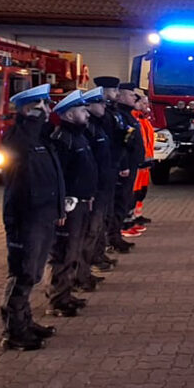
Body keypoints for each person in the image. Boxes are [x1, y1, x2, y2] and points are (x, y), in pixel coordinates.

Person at [0, 83, 65, 351]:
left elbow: (55, 177)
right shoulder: (17, 138)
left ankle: (26, 321)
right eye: (42, 106)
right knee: (22, 273)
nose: (48, 110)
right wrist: (31, 121)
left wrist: (58, 209)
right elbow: (19, 149)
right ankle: (14, 330)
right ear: (29, 110)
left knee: (34, 272)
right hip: (25, 216)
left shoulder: (41, 139)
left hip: (43, 214)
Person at [45, 90, 97, 318]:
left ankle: (66, 293)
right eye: (82, 110)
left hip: (82, 202)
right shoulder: (62, 139)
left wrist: (89, 195)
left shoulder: (78, 136)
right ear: (68, 114)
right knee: (63, 252)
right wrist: (62, 206)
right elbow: (59, 176)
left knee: (73, 250)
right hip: (69, 205)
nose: (87, 113)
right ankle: (57, 300)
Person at [77, 87, 115, 289]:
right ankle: (80, 275)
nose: (104, 107)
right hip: (93, 190)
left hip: (102, 186)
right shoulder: (87, 130)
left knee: (96, 229)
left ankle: (85, 272)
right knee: (88, 233)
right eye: (99, 103)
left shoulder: (97, 127)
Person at [92, 76, 134, 253]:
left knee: (112, 208)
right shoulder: (105, 116)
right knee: (104, 211)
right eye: (114, 90)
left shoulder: (114, 112)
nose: (116, 93)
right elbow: (111, 143)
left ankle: (108, 242)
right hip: (108, 167)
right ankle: (103, 247)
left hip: (114, 165)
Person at [114, 82, 145, 241]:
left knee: (126, 198)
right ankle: (115, 235)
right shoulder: (120, 116)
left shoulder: (128, 115)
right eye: (131, 94)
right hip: (124, 166)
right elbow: (121, 144)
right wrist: (124, 164)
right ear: (120, 96)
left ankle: (118, 233)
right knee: (120, 200)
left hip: (131, 164)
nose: (134, 97)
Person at [131, 91, 155, 228]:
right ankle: (131, 218)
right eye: (144, 103)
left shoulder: (144, 120)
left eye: (147, 103)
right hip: (138, 163)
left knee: (141, 191)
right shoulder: (134, 120)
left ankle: (138, 214)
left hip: (145, 163)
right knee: (134, 191)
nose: (147, 106)